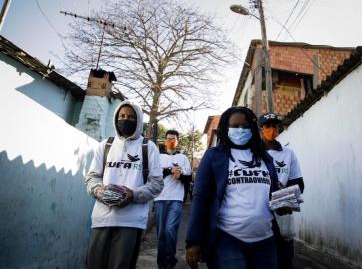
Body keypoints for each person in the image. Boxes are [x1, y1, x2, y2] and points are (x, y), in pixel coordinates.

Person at [185, 106, 281, 269]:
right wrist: (194, 241)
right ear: (225, 129)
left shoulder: (265, 158)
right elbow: (200, 198)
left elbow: (274, 195)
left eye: (245, 126)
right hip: (228, 240)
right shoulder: (214, 156)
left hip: (266, 241)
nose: (240, 130)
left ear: (252, 128)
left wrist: (283, 204)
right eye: (235, 126)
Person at [84, 100, 164, 269]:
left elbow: (157, 183)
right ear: (116, 118)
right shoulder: (105, 145)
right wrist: (98, 190)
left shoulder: (148, 148)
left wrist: (133, 195)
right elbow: (92, 177)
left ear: (139, 120)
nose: (125, 119)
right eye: (121, 116)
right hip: (102, 219)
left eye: (130, 117)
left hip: (131, 221)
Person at [259, 112, 305, 269]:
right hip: (258, 215)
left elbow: (298, 183)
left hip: (282, 212)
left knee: (284, 259)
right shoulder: (252, 154)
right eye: (268, 126)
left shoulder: (288, 153)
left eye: (275, 126)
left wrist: (283, 197)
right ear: (261, 129)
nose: (272, 129)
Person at [154, 130, 192, 269]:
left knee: (170, 229)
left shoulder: (183, 158)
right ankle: (161, 262)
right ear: (164, 141)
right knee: (161, 232)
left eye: (173, 139)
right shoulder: (158, 157)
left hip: (176, 199)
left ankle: (170, 259)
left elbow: (189, 178)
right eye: (168, 138)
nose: (171, 141)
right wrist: (169, 171)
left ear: (177, 141)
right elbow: (154, 176)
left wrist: (180, 176)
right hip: (160, 198)